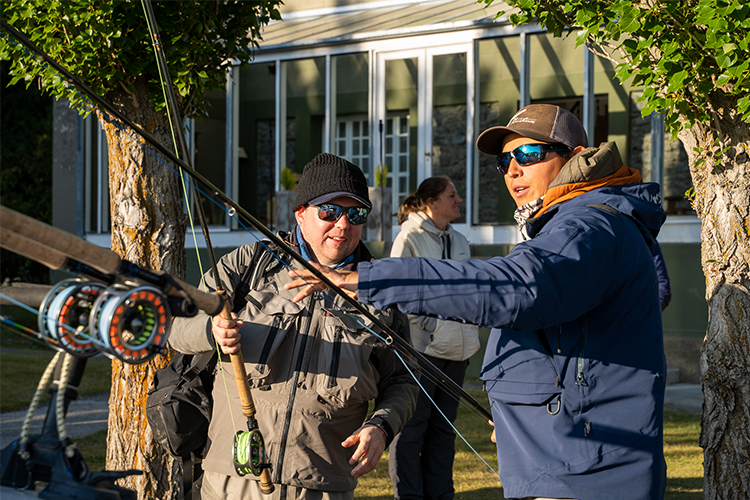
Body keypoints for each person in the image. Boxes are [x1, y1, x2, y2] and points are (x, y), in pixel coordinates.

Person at [285, 104, 668, 500]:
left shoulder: (589, 226)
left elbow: (520, 288)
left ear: (573, 157)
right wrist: (522, 413)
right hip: (570, 462)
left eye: (529, 154)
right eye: (505, 161)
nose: (514, 169)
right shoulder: (575, 224)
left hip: (588, 475)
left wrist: (369, 277)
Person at [170, 153, 419, 500]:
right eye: (329, 211)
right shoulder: (249, 265)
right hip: (232, 480)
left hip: (324, 485)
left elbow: (404, 380)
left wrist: (382, 426)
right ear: (301, 213)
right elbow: (177, 327)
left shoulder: (379, 287)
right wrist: (210, 331)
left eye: (356, 213)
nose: (343, 225)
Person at [388, 177, 480, 500]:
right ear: (432, 202)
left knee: (444, 433)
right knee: (413, 431)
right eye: (451, 195)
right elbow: (396, 294)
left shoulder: (461, 241)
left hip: (458, 351)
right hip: (422, 352)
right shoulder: (408, 238)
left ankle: (441, 496)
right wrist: (424, 326)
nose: (458, 200)